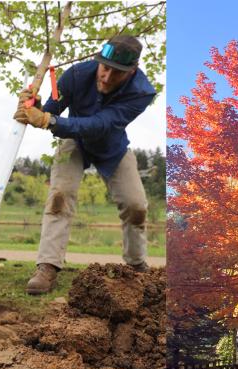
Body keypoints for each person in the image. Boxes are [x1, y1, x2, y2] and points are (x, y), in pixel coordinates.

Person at [14, 35, 157, 295]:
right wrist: (34, 106)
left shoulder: (142, 92)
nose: (106, 77)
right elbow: (53, 109)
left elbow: (101, 124)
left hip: (111, 146)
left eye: (117, 73)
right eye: (104, 68)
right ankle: (47, 266)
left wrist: (49, 121)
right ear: (98, 61)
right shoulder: (77, 74)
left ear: (132, 70)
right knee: (59, 196)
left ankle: (136, 266)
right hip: (73, 141)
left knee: (136, 206)